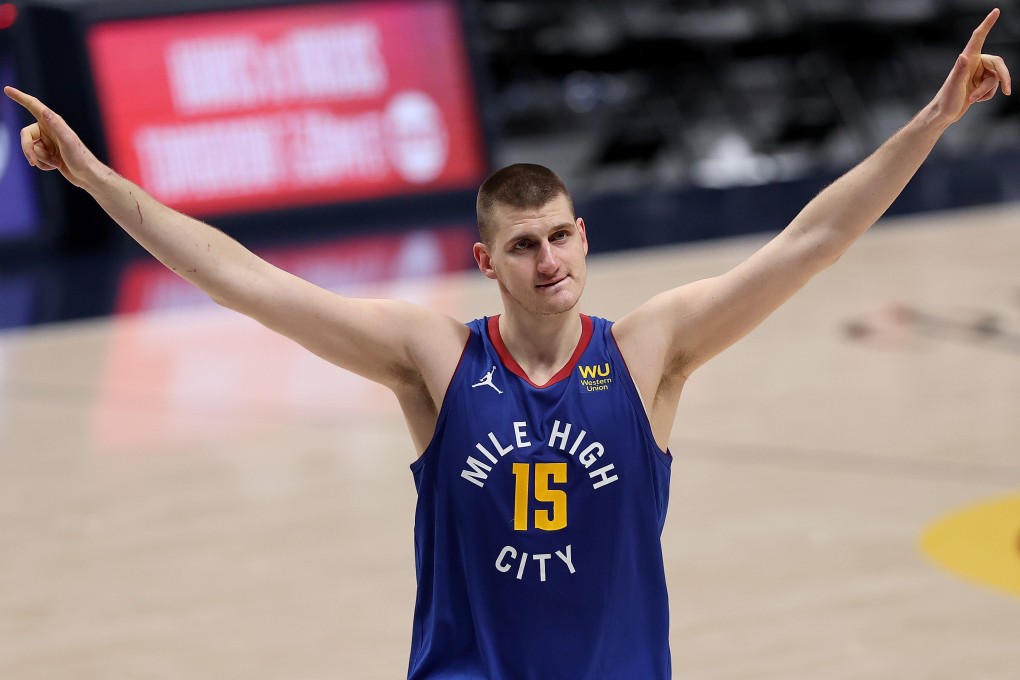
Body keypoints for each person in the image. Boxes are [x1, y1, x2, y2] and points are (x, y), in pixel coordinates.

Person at [5, 9, 1011, 679]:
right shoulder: (435, 359)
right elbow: (244, 280)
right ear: (486, 259)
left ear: (585, 235)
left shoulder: (651, 349)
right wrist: (98, 178)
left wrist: (934, 115)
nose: (548, 259)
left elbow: (813, 241)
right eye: (522, 244)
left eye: (560, 235)